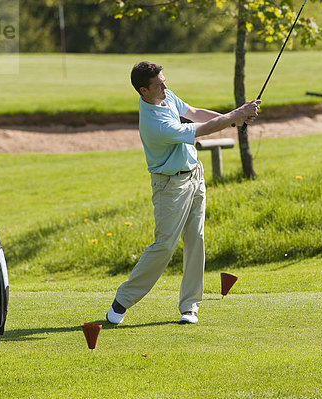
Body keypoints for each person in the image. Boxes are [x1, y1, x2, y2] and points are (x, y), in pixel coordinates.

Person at [106, 61, 260, 325]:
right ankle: (123, 300)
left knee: (195, 239)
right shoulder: (155, 123)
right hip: (170, 187)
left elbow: (196, 113)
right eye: (158, 84)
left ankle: (189, 305)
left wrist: (236, 117)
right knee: (164, 245)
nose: (165, 85)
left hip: (194, 176)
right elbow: (200, 130)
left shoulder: (166, 97)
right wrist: (235, 116)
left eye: (164, 80)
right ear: (143, 90)